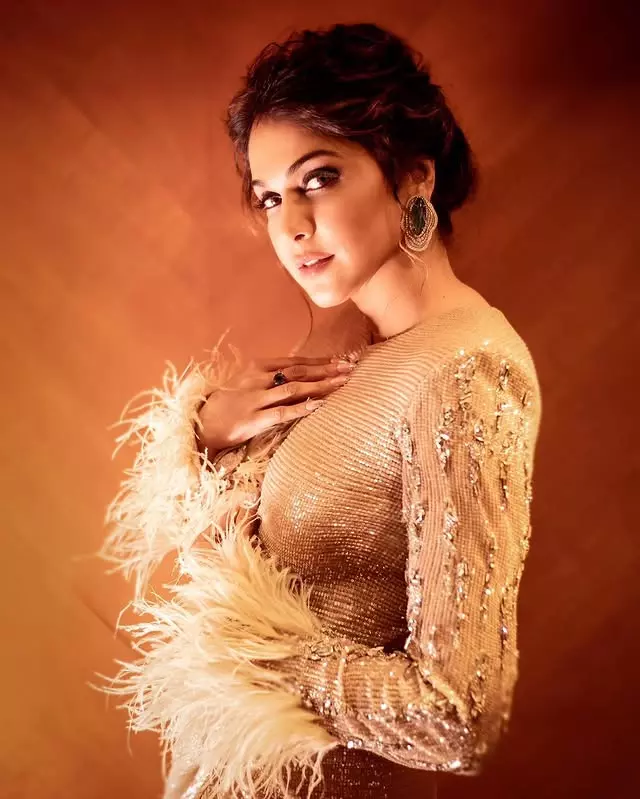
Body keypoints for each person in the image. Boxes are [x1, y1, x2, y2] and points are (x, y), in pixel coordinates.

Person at [95, 22, 543, 799]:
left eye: (319, 178)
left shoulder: (466, 370)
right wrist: (202, 428)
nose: (290, 225)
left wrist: (255, 656)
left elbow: (458, 714)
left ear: (413, 174)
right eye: (270, 196)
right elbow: (249, 554)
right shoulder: (350, 345)